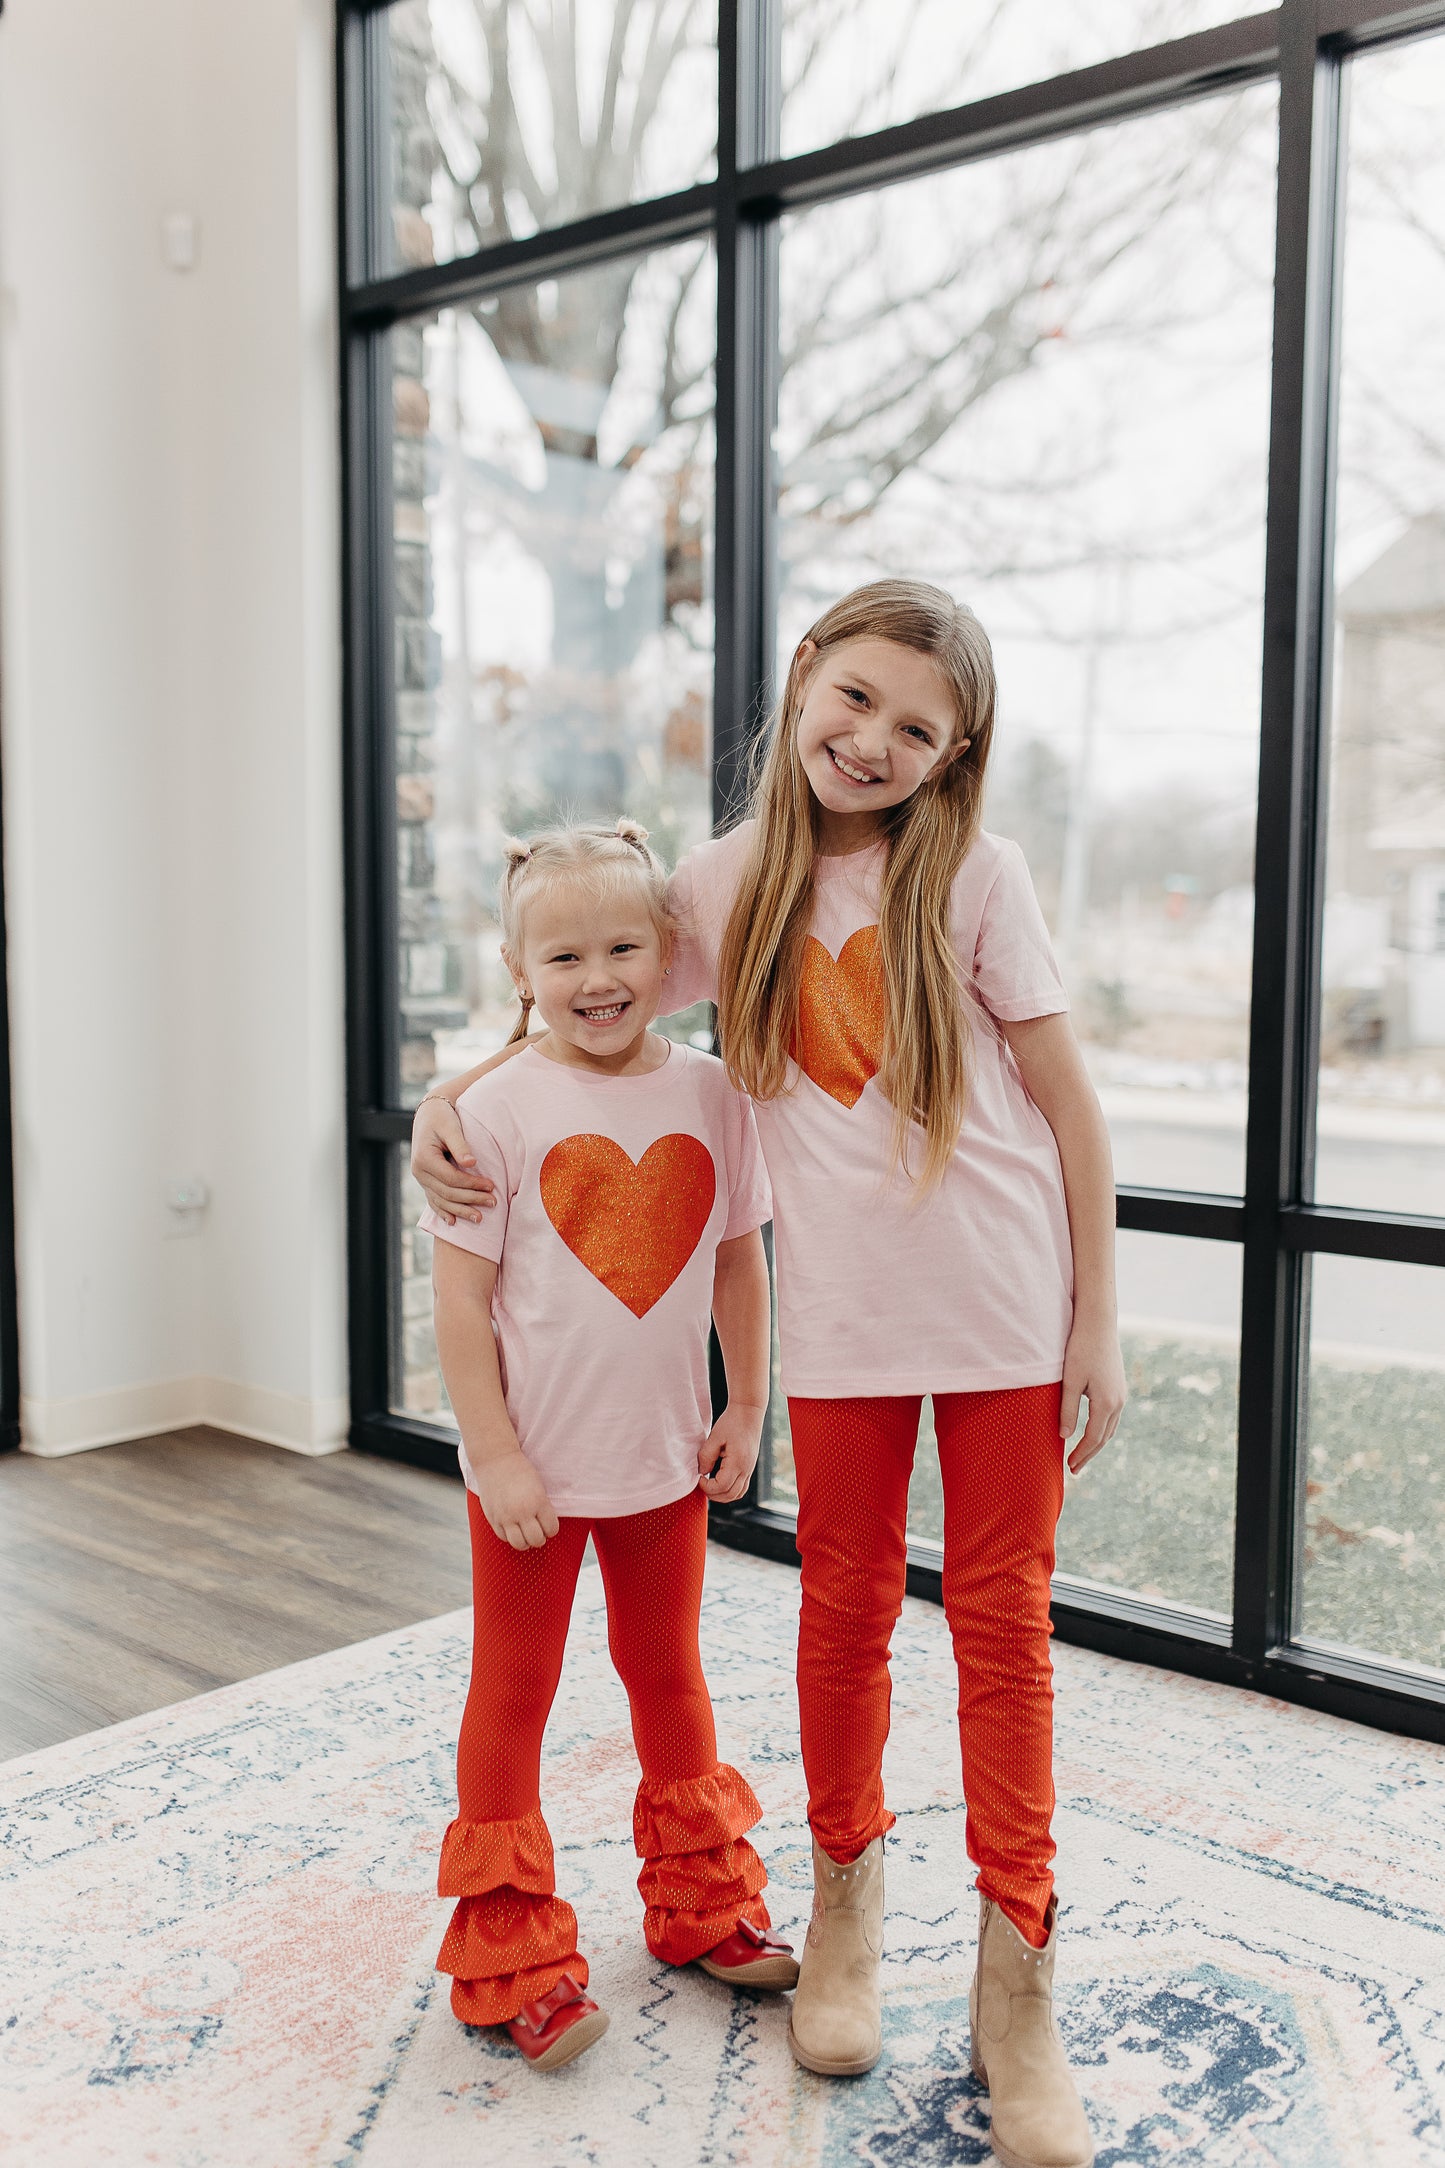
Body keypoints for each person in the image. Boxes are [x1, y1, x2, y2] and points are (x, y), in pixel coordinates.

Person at [414, 583, 1124, 2167]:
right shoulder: (724, 888)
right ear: (804, 674)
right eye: (855, 697)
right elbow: (568, 989)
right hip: (852, 1335)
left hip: (1010, 1315)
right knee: (843, 1615)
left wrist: (1099, 1325)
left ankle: (1019, 1980)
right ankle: (843, 1909)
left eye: (918, 730)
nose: (872, 742)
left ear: (955, 759)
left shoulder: (981, 877)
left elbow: (1072, 1108)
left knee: (1002, 1633)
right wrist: (444, 1100)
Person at [422, 818, 798, 2075]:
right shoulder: (491, 1109)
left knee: (669, 1676)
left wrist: (747, 1406)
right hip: (527, 1475)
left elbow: (741, 1260)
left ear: (669, 949)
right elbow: (458, 1308)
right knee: (513, 1696)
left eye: (625, 945)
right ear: (516, 969)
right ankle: (510, 1956)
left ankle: (700, 1905)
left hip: (661, 1467)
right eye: (564, 954)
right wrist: (497, 1454)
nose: (598, 977)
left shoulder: (710, 1090)